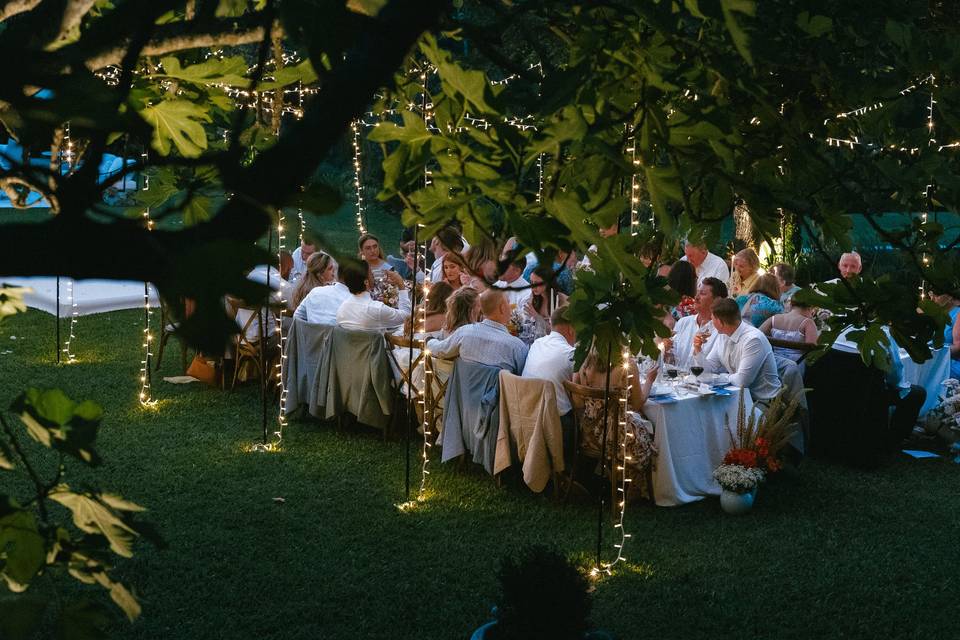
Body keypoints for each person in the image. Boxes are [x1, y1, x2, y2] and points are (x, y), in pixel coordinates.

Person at [807, 324, 926, 464]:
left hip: (833, 391)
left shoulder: (839, 328)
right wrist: (901, 387)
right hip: (867, 397)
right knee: (916, 393)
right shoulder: (882, 334)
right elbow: (894, 373)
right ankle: (890, 442)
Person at [572, 341, 659, 472]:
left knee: (642, 423)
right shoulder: (627, 365)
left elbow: (578, 402)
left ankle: (612, 477)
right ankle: (636, 488)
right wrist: (649, 381)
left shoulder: (584, 364)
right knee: (653, 435)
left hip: (590, 435)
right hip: (619, 438)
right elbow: (637, 404)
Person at [694, 298, 782, 406]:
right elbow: (709, 369)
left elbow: (742, 381)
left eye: (712, 319)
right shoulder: (723, 335)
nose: (711, 322)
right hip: (739, 398)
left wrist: (716, 377)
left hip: (763, 402)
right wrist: (698, 350)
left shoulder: (753, 340)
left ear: (720, 322)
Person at [426, 289, 528, 373]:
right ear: (502, 308)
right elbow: (521, 381)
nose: (510, 307)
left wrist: (429, 339)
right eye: (508, 303)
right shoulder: (517, 347)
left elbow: (440, 349)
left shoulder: (464, 333)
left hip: (463, 395)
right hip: (498, 397)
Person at [522, 306, 577, 461]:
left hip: (527, 411)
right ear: (571, 329)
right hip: (555, 422)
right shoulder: (570, 354)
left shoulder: (537, 343)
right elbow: (580, 397)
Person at [663, 277, 727, 370]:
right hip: (677, 381)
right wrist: (666, 350)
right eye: (697, 292)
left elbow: (716, 370)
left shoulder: (721, 331)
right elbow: (672, 361)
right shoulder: (683, 322)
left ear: (717, 300)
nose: (696, 297)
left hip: (704, 382)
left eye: (703, 294)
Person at [336, 261, 411, 331]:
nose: (373, 276)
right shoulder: (377, 309)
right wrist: (401, 285)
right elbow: (407, 317)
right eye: (371, 273)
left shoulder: (341, 309)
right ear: (366, 282)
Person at [518, 265, 570, 345]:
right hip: (538, 342)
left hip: (555, 344)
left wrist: (536, 316)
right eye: (531, 282)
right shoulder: (534, 298)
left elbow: (556, 332)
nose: (533, 287)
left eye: (537, 283)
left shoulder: (562, 301)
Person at [759, 297, 818, 362]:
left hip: (771, 360)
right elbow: (812, 349)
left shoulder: (774, 318)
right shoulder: (808, 323)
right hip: (796, 363)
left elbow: (757, 335)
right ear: (810, 308)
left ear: (791, 305)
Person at [931, 287, 960, 380]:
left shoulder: (958, 313)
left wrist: (934, 352)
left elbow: (958, 348)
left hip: (952, 364)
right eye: (931, 295)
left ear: (949, 297)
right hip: (940, 360)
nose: (932, 299)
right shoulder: (940, 314)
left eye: (936, 296)